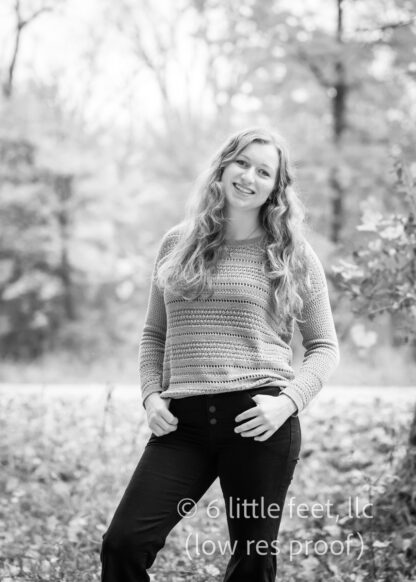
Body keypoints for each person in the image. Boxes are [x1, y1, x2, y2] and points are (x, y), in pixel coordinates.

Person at [100, 127, 340, 581]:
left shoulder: (292, 255)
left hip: (258, 421)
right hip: (183, 425)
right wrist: (150, 396)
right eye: (242, 163)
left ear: (276, 187)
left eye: (264, 172)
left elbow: (324, 347)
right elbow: (154, 334)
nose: (249, 177)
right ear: (223, 167)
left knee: (251, 561)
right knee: (123, 543)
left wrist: (287, 403)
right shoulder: (177, 243)